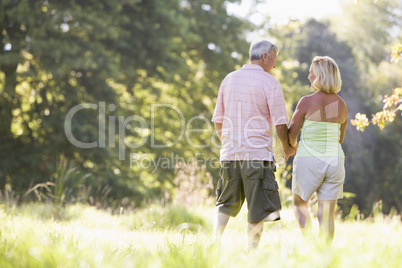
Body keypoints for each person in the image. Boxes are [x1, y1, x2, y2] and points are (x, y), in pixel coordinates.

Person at [211, 40, 295, 249]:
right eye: (274, 60)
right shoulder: (270, 82)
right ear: (265, 57)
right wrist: (287, 147)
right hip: (257, 155)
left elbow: (218, 120)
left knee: (226, 202)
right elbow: (280, 122)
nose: (274, 65)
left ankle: (215, 242)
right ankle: (252, 252)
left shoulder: (229, 79)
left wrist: (228, 143)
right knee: (258, 207)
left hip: (230, 154)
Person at [288, 56, 348, 241]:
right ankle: (325, 254)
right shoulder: (342, 105)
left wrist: (292, 145)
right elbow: (340, 139)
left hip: (309, 158)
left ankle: (308, 244)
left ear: (320, 76)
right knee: (327, 212)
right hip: (335, 160)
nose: (308, 77)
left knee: (299, 203)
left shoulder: (306, 102)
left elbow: (291, 135)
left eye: (311, 73)